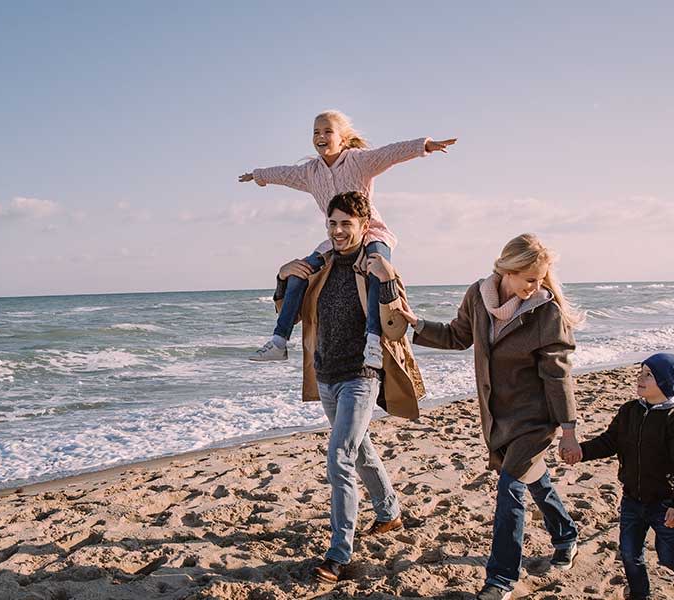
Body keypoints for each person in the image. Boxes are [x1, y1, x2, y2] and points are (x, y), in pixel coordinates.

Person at [380, 233, 583, 600]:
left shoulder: (546, 312)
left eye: (540, 279)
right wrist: (416, 324)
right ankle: (566, 535)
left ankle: (501, 580)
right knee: (534, 481)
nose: (536, 286)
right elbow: (458, 336)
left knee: (511, 489)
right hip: (497, 418)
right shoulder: (478, 296)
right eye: (530, 278)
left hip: (536, 420)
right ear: (508, 270)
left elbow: (558, 376)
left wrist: (568, 430)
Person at [271, 191, 426, 583]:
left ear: (363, 226)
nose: (339, 231)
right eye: (333, 223)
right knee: (361, 451)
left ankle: (338, 553)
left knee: (339, 455)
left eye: (347, 224)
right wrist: (283, 275)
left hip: (361, 376)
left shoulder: (374, 267)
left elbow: (395, 323)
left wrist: (389, 281)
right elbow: (289, 311)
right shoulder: (319, 267)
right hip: (326, 376)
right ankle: (389, 512)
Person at [241, 109, 454, 369]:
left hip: (371, 232)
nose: (321, 136)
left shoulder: (358, 161)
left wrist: (424, 146)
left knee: (377, 269)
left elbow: (390, 154)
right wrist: (259, 176)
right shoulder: (310, 172)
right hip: (336, 238)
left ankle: (373, 340)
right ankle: (278, 341)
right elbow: (284, 174)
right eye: (316, 132)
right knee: (298, 273)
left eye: (328, 131)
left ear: (343, 138)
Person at [566, 353, 674, 600]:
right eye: (640, 371)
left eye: (649, 374)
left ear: (667, 383)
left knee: (670, 558)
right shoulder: (630, 411)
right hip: (632, 499)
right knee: (630, 554)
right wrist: (582, 452)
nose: (640, 377)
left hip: (664, 504)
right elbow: (609, 442)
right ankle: (640, 595)